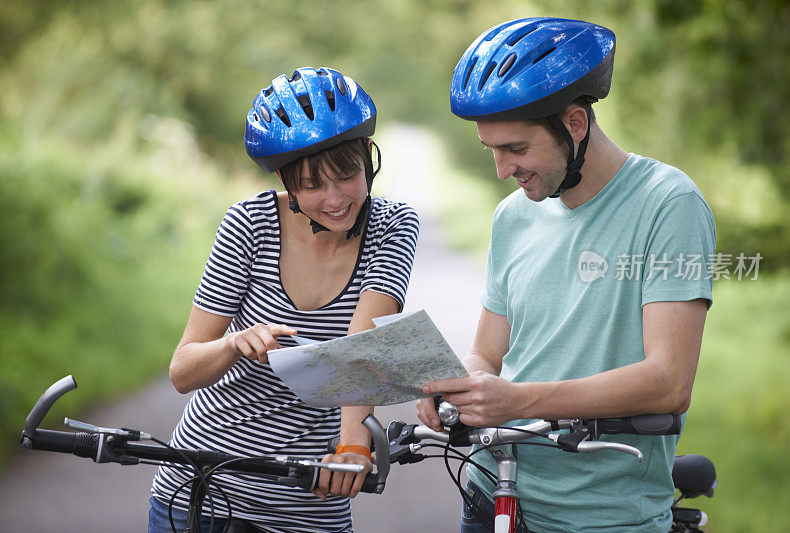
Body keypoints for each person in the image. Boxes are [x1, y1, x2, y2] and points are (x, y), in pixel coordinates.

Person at [417, 18, 715, 532]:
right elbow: (488, 352)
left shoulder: (670, 204)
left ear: (575, 124)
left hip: (602, 515)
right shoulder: (512, 215)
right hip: (493, 492)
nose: (502, 170)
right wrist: (462, 385)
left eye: (516, 149)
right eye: (492, 149)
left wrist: (518, 399)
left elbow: (669, 382)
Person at [149, 66, 419, 533]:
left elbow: (362, 349)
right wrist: (235, 344)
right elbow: (183, 371)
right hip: (202, 491)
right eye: (313, 185)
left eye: (347, 175)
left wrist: (353, 446)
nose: (335, 199)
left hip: (308, 507)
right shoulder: (250, 224)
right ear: (288, 184)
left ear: (369, 158)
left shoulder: (392, 227)